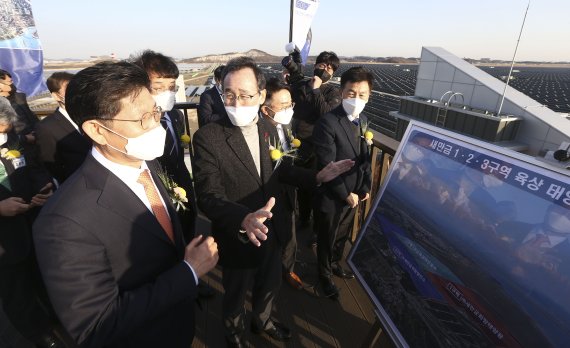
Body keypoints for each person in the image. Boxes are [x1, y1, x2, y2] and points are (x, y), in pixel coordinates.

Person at [32, 61, 219, 348]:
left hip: (178, 326)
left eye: (155, 112)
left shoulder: (149, 165)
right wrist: (189, 272)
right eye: (142, 118)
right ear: (97, 130)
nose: (156, 125)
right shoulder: (63, 221)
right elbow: (96, 324)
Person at [131, 49, 214, 298]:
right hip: (157, 194)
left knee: (188, 233)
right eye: (158, 86)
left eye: (171, 86)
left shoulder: (175, 115)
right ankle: (176, 287)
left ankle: (192, 278)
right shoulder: (135, 124)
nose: (167, 93)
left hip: (181, 186)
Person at [259, 77, 354, 290]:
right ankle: (280, 271)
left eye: (290, 104)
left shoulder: (284, 125)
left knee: (289, 229)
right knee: (278, 234)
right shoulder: (261, 132)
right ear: (265, 110)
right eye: (282, 105)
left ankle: (287, 266)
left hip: (288, 190)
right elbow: (279, 170)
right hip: (273, 194)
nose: (288, 109)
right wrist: (316, 177)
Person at [0, 97, 63, 348]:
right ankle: (37, 335)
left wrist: (43, 186)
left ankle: (55, 316)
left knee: (41, 275)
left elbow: (33, 167)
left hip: (31, 221)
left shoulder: (13, 139)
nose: (4, 134)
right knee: (16, 288)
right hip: (4, 237)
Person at [312, 67, 374, 300]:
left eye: (362, 94)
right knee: (328, 235)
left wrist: (365, 186)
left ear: (369, 95)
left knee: (342, 232)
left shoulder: (363, 120)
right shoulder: (328, 122)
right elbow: (326, 164)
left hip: (355, 193)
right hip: (333, 193)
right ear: (341, 91)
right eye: (351, 93)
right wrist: (344, 193)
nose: (356, 99)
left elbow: (365, 157)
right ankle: (324, 273)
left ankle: (336, 263)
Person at [289, 51, 342, 229]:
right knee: (292, 182)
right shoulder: (302, 84)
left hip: (315, 147)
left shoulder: (333, 92)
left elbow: (327, 115)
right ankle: (300, 217)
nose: (325, 69)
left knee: (312, 187)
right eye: (322, 65)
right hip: (294, 143)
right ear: (315, 65)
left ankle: (310, 223)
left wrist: (316, 89)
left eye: (329, 68)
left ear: (333, 73)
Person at [35, 72, 91, 184]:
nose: (76, 93)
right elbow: (50, 163)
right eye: (69, 89)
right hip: (76, 183)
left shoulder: (91, 115)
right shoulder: (47, 127)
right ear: (56, 95)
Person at [0, 69, 37, 144]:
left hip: (32, 137)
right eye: (9, 82)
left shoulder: (19, 97)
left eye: (11, 81)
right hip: (13, 144)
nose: (12, 84)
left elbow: (31, 117)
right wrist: (25, 138)